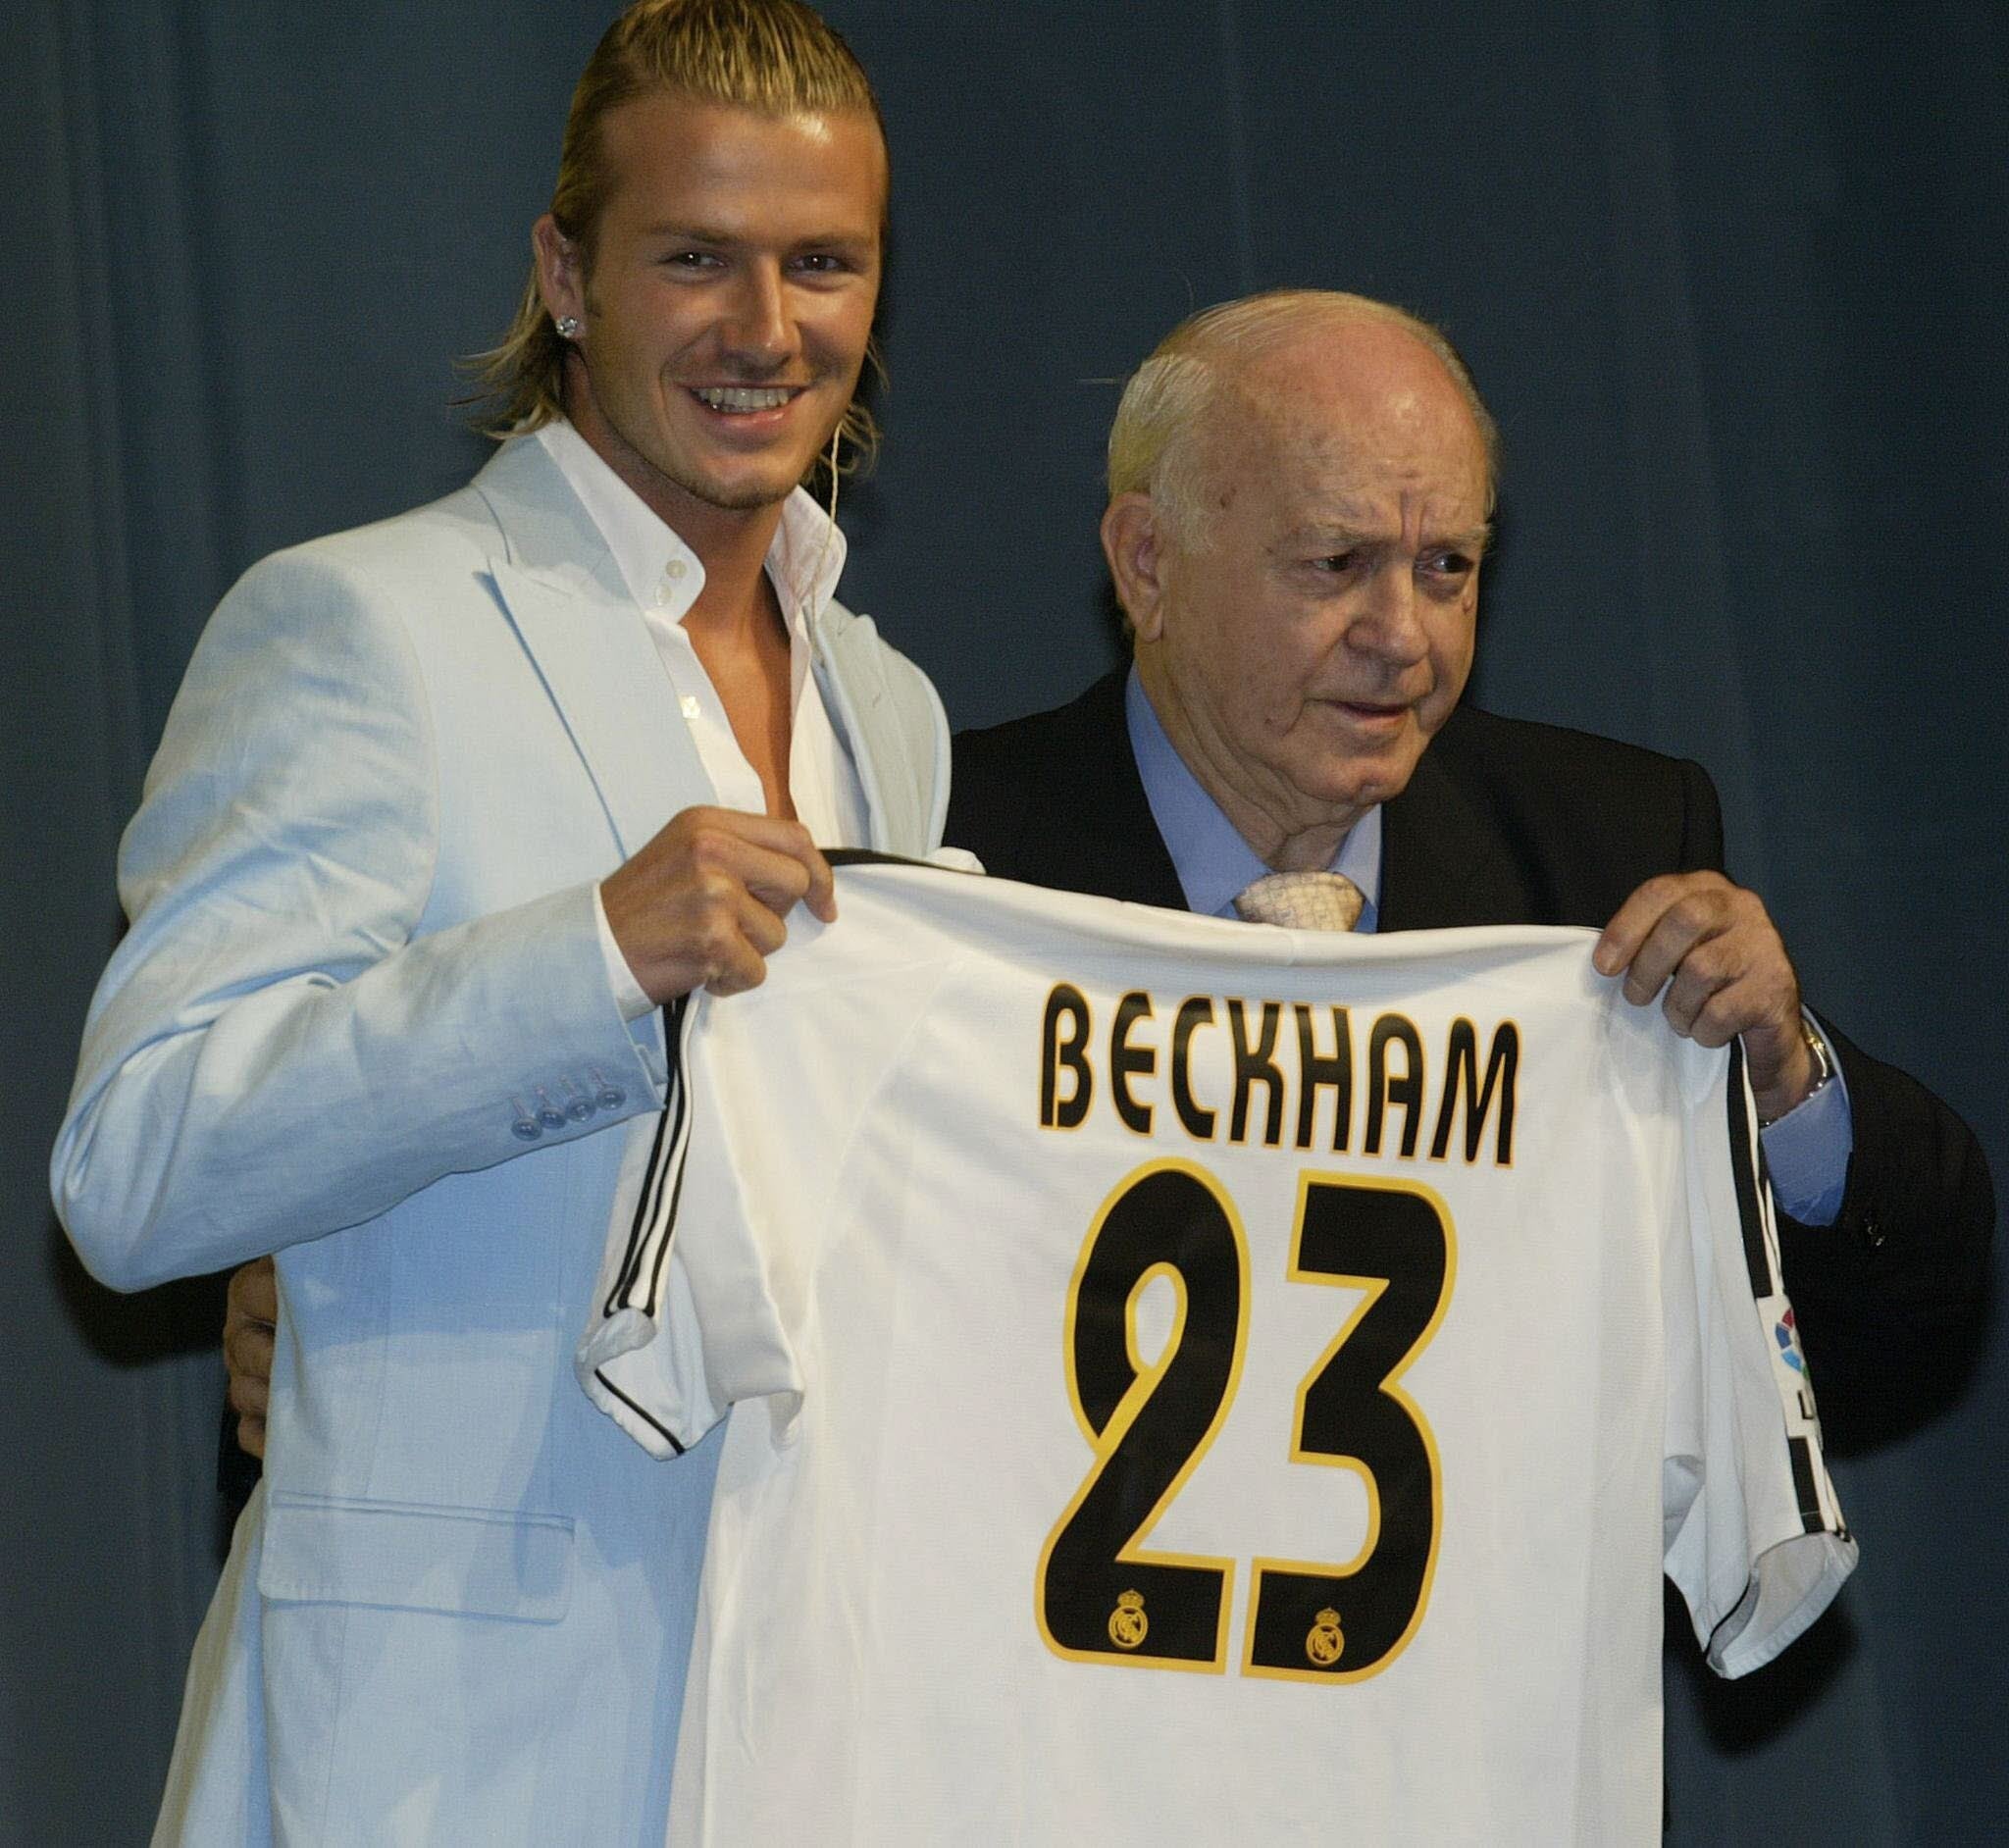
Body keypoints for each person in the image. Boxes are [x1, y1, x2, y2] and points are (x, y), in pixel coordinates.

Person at [51, 2, 948, 1842]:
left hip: (805, 1730)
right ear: (565, 273)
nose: (765, 329)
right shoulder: (361, 627)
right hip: (437, 1756)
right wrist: (587, 957)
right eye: (693, 256)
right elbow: (136, 1163)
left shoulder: (891, 705)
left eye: (821, 263)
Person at [946, 289, 1991, 1399]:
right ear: (1147, 564)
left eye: (1445, 567)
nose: (1403, 638)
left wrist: (1779, 1081)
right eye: (1335, 563)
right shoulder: (945, 851)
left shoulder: (1604, 855)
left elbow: (1900, 1323)